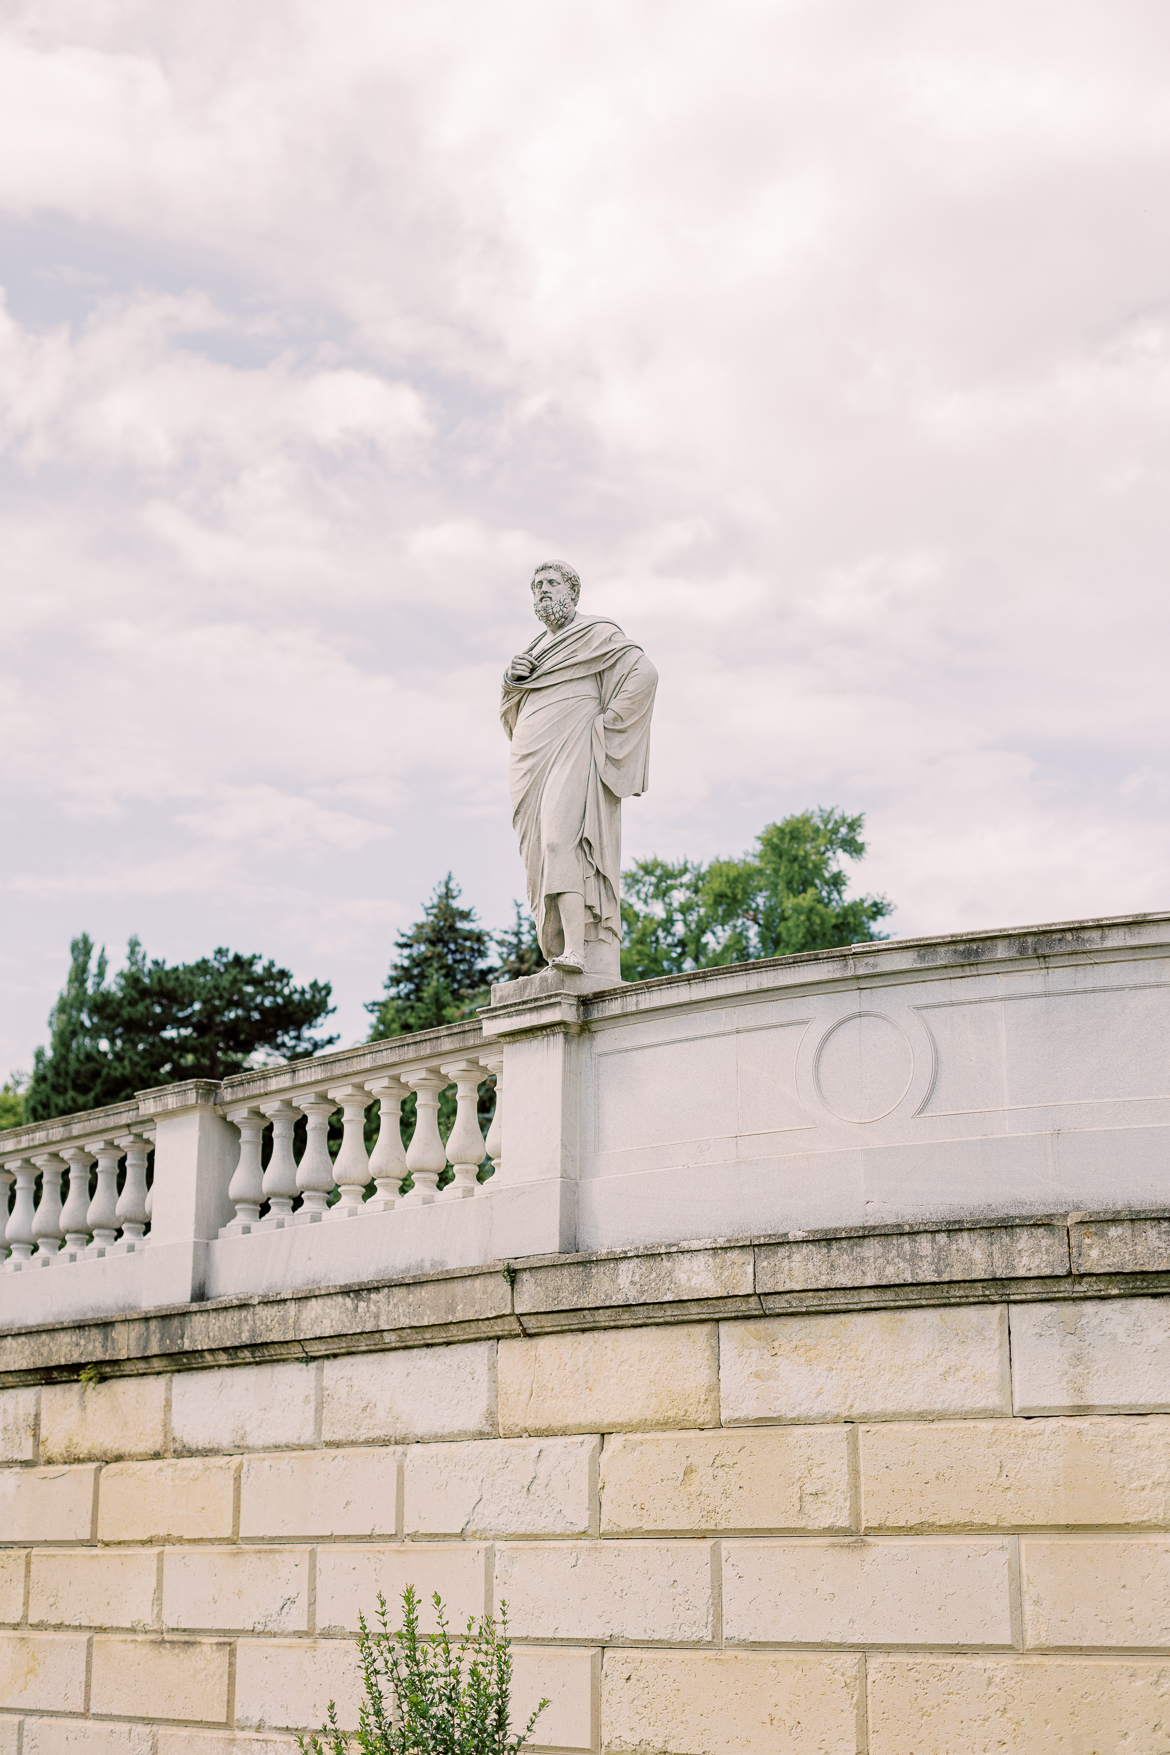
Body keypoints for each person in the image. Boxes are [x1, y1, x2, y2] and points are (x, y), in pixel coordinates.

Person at [501, 560, 658, 976]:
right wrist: (510, 682)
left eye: (551, 583)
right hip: (531, 759)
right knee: (539, 853)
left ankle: (577, 949)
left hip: (575, 749)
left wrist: (605, 728)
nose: (542, 591)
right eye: (535, 586)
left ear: (573, 590)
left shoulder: (597, 634)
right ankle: (555, 951)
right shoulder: (533, 651)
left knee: (559, 841)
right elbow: (512, 713)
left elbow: (644, 673)